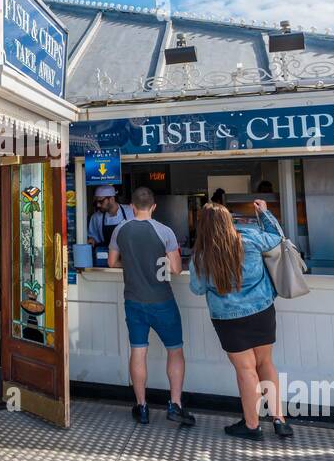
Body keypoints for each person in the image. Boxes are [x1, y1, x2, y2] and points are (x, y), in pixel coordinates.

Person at [188, 200, 290, 440]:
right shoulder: (249, 238)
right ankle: (279, 420)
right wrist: (263, 213)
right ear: (229, 220)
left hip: (228, 318)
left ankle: (252, 425)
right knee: (266, 363)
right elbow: (276, 237)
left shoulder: (201, 256)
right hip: (262, 310)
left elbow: (197, 288)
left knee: (246, 370)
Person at [107, 186, 195, 426]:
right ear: (154, 207)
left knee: (138, 351)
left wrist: (133, 264)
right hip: (162, 301)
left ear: (132, 207)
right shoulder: (165, 231)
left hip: (133, 301)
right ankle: (175, 405)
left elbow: (112, 262)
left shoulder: (120, 230)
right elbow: (176, 269)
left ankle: (142, 406)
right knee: (175, 351)